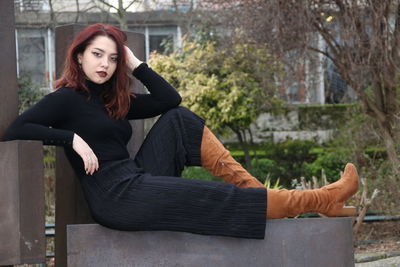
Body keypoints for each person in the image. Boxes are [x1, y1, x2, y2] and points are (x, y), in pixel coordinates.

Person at [3, 23, 359, 239]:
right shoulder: (67, 98)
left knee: (180, 119)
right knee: (213, 196)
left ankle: (260, 193)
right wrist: (71, 138)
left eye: (112, 58)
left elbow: (170, 99)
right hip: (116, 199)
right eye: (97, 54)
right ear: (79, 56)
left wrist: (136, 63)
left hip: (137, 180)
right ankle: (322, 200)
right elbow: (15, 129)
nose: (105, 64)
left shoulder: (115, 100)